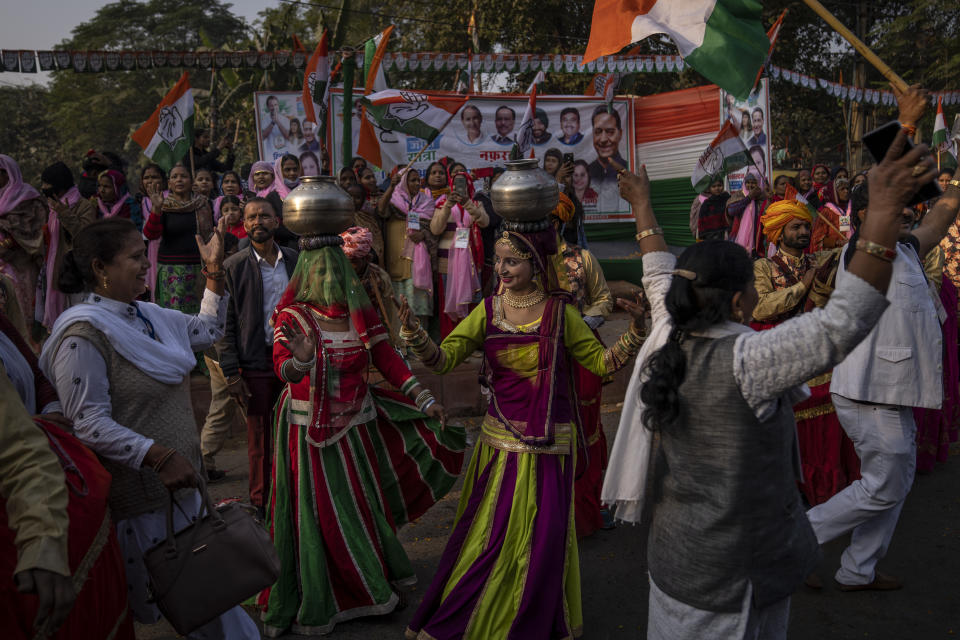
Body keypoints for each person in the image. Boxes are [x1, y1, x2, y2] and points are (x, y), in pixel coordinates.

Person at [602, 118, 937, 639]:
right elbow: (842, 322)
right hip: (735, 583)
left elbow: (655, 266)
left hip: (674, 568)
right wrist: (887, 209)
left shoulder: (670, 329)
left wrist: (642, 203)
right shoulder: (748, 360)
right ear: (739, 301)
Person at [401, 196, 647, 640]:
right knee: (489, 540)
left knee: (544, 540)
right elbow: (442, 360)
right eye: (498, 262)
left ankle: (533, 618)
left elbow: (603, 364)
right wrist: (416, 336)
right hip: (499, 448)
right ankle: (484, 614)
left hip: (550, 445)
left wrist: (637, 333)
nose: (503, 270)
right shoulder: (489, 310)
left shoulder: (560, 313)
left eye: (512, 262)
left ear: (535, 263)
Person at [40, 217, 259, 639]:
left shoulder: (148, 316)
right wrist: (155, 455)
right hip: (141, 502)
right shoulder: (82, 336)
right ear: (101, 268)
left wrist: (213, 273)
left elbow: (207, 329)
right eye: (136, 258)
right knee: (210, 612)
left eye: (145, 255)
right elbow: (87, 422)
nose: (146, 265)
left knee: (214, 608)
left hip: (181, 490)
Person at [257, 217, 465, 637]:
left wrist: (425, 399)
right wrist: (302, 360)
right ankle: (332, 589)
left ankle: (369, 579)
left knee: (361, 506)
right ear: (307, 271)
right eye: (321, 266)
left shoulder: (358, 309)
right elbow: (283, 369)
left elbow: (385, 356)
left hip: (357, 428)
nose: (331, 274)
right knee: (321, 515)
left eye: (337, 264)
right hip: (306, 432)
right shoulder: (292, 315)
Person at [807, 139, 960, 592]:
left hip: (896, 392)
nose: (911, 212)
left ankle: (859, 569)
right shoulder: (863, 252)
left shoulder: (908, 248)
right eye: (901, 207)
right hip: (869, 393)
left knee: (897, 481)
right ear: (865, 217)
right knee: (884, 487)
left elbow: (941, 215)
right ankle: (791, 543)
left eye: (911, 207)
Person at [1, 305, 135, 640]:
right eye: (133, 258)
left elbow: (35, 380)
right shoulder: (79, 335)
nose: (140, 269)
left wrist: (47, 416)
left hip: (30, 496)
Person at [751, 201, 855, 507]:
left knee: (827, 418)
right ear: (778, 234)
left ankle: (824, 482)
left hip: (821, 351)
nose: (804, 231)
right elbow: (761, 307)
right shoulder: (763, 267)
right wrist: (803, 286)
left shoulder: (820, 259)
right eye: (795, 226)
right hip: (782, 355)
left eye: (806, 226)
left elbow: (851, 254)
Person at [210, 197, 297, 516]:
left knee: (294, 432)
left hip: (293, 362)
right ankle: (261, 503)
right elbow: (224, 324)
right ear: (244, 225)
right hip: (254, 362)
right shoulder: (234, 267)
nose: (258, 221)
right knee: (259, 437)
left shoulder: (294, 259)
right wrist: (231, 372)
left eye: (264, 216)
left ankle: (294, 498)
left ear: (277, 221)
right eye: (251, 218)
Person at [549, 192, 616, 537]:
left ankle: (592, 500)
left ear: (558, 222)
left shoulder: (581, 258)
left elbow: (604, 298)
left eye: (546, 220)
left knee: (586, 425)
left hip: (579, 353)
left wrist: (585, 324)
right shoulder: (517, 260)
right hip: (539, 355)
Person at [142, 164, 212, 315]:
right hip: (170, 271)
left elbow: (210, 237)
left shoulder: (203, 204)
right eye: (174, 177)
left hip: (198, 269)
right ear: (169, 183)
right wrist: (156, 209)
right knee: (173, 318)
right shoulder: (164, 206)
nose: (179, 180)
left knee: (200, 316)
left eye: (183, 176)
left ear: (191, 181)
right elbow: (150, 234)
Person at [430, 172, 489, 337]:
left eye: (462, 183)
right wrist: (448, 206)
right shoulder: (442, 203)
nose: (458, 187)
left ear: (469, 184)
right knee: (450, 302)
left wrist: (468, 204)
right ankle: (451, 342)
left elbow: (484, 222)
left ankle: (471, 343)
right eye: (455, 183)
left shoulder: (476, 203)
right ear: (451, 184)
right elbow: (435, 229)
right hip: (447, 261)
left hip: (472, 260)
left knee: (472, 303)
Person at [379, 168, 437, 332]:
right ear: (403, 182)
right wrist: (391, 187)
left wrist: (424, 234)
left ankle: (421, 345)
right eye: (412, 180)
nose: (417, 183)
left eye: (418, 180)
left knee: (419, 306)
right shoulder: (392, 201)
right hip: (396, 261)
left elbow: (433, 231)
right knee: (399, 307)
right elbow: (381, 211)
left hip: (419, 265)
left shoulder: (426, 202)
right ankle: (403, 346)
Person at [40, 161, 97, 328]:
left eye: (47, 183)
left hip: (76, 271)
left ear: (59, 185)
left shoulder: (83, 206)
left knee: (78, 315)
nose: (44, 187)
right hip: (56, 269)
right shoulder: (51, 208)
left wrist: (65, 214)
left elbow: (84, 236)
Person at [0, 154, 48, 335]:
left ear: (8, 173)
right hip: (2, 265)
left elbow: (35, 232)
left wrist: (8, 237)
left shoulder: (27, 198)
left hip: (21, 265)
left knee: (22, 311)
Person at [341, 225, 401, 345]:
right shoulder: (336, 277)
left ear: (366, 258)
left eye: (353, 262)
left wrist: (395, 343)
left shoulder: (380, 277)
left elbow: (390, 315)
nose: (350, 267)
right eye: (346, 262)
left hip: (373, 333)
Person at [728, 172, 769, 257]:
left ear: (759, 183)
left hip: (758, 239)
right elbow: (731, 211)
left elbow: (767, 214)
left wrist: (769, 199)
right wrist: (749, 198)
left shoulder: (763, 197)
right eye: (748, 182)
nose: (750, 185)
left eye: (753, 183)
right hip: (737, 238)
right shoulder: (738, 195)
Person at [587, 105, 627, 188]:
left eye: (610, 132)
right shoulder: (584, 173)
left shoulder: (629, 169)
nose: (603, 139)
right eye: (598, 132)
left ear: (620, 134)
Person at [811, 176, 851, 251]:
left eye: (847, 188)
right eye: (842, 189)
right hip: (834, 254)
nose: (846, 191)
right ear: (834, 192)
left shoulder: (852, 209)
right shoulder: (827, 212)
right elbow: (817, 239)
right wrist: (837, 242)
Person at [348, 183, 384, 263]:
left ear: (363, 200)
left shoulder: (369, 218)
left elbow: (377, 243)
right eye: (350, 196)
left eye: (357, 197)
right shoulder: (342, 218)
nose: (353, 200)